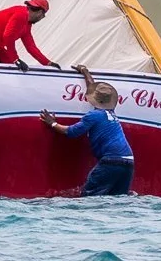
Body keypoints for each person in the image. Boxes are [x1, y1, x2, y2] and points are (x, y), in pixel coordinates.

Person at [40, 65, 134, 196]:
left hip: (111, 161)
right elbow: (92, 86)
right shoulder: (110, 112)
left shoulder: (93, 116)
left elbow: (71, 132)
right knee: (118, 199)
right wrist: (85, 72)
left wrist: (52, 123)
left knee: (89, 197)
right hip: (129, 162)